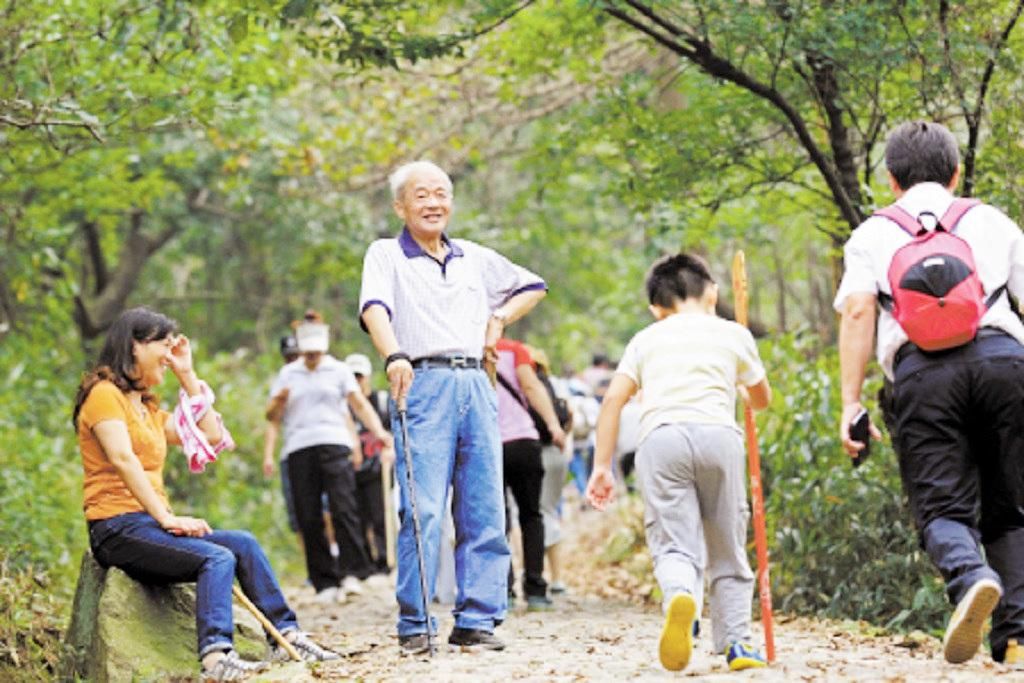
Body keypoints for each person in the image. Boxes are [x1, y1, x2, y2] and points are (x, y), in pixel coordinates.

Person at [836, 121, 1024, 666]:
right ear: (957, 173)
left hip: (924, 376)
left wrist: (852, 402)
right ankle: (1015, 641)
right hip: (1004, 363)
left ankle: (970, 577)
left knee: (942, 508)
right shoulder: (989, 220)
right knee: (1011, 506)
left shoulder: (873, 234)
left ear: (891, 181)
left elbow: (856, 311)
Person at [73, 307, 338, 681]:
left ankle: (286, 634)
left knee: (242, 544)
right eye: (164, 347)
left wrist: (187, 374)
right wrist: (167, 518)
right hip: (116, 527)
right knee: (215, 558)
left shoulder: (148, 408)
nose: (169, 356)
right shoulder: (103, 395)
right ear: (135, 345)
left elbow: (210, 434)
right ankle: (216, 658)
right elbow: (122, 459)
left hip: (148, 525)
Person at [359, 159, 548, 653]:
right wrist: (393, 353)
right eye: (421, 195)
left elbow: (533, 286)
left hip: (476, 383)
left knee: (484, 504)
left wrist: (499, 317)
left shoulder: (474, 258)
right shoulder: (385, 254)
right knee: (422, 507)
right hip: (422, 382)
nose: (433, 203)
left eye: (441, 193)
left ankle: (476, 619)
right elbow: (374, 308)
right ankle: (416, 623)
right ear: (401, 205)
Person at [586, 253, 772, 673]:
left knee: (673, 542)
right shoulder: (733, 333)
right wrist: (742, 393)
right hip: (719, 437)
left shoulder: (646, 339)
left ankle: (680, 596)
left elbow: (614, 400)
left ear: (656, 307)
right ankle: (737, 643)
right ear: (712, 293)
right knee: (727, 543)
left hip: (662, 438)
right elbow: (762, 399)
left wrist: (601, 467)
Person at [264, 311, 394, 604]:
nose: (312, 359)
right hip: (299, 446)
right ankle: (324, 581)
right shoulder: (288, 374)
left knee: (343, 506)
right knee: (308, 514)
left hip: (334, 442)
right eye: (307, 354)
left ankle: (352, 573)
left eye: (315, 354)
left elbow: (358, 404)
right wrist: (279, 400)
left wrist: (379, 432)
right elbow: (271, 415)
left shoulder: (338, 370)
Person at [495, 337, 567, 611]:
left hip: (488, 445)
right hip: (524, 442)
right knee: (531, 515)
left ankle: (505, 590)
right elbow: (530, 385)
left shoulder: (469, 350)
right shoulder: (515, 350)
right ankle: (535, 589)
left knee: (498, 518)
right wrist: (553, 425)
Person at [524, 345, 573, 595]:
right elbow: (571, 414)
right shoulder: (555, 384)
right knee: (548, 512)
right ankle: (557, 578)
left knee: (529, 515)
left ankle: (533, 574)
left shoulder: (524, 386)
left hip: (531, 452)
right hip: (555, 453)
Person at [344, 352, 394, 577]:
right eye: (352, 376)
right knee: (357, 518)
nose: (357, 381)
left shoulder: (381, 402)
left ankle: (385, 560)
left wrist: (391, 450)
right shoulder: (343, 408)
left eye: (360, 376)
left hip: (377, 468)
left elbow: (393, 431)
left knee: (379, 516)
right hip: (351, 470)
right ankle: (365, 565)